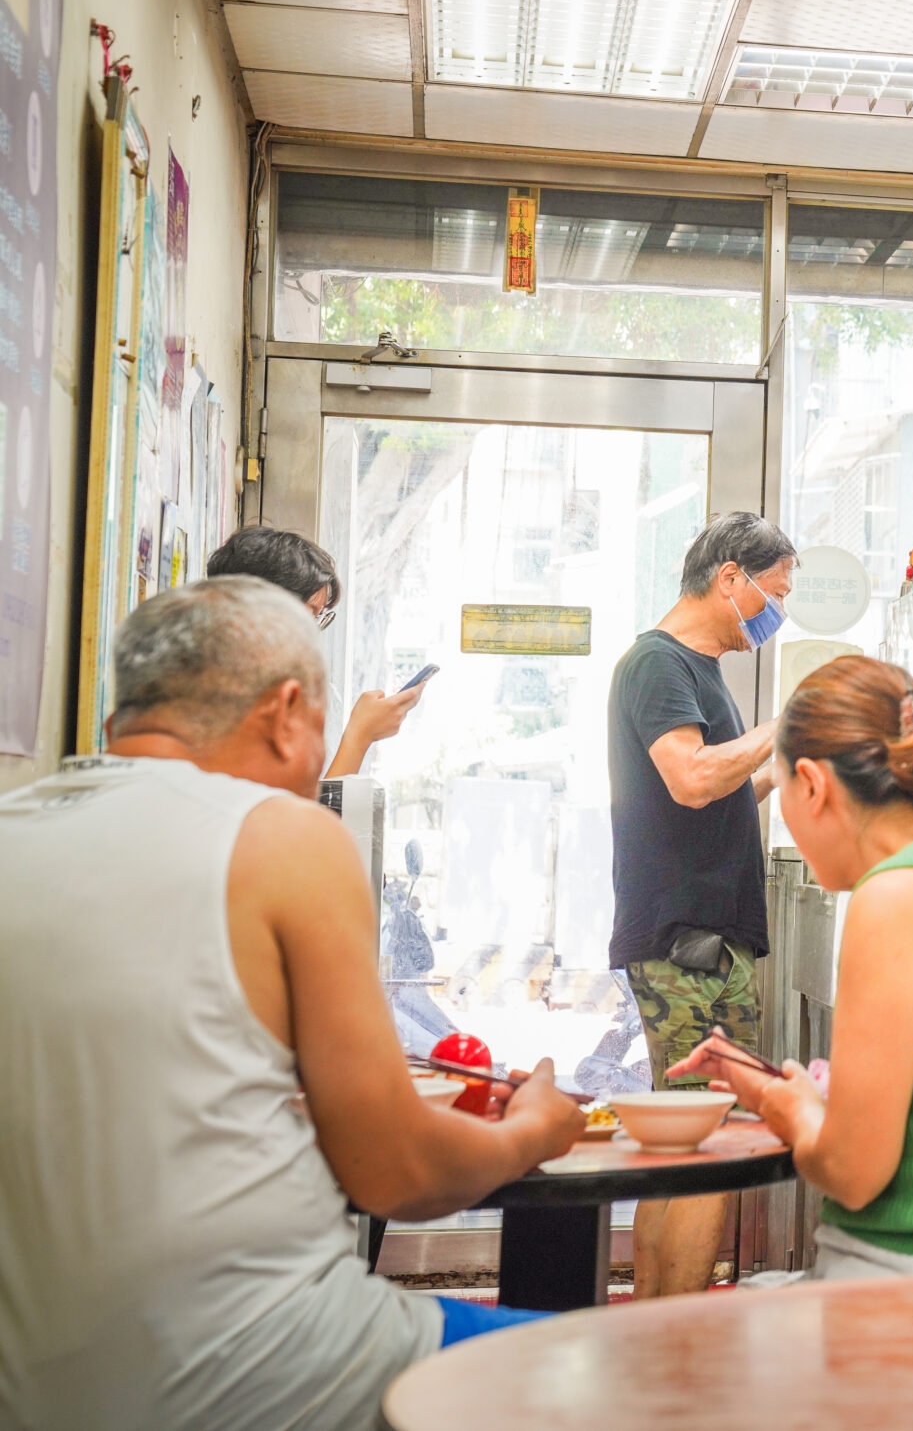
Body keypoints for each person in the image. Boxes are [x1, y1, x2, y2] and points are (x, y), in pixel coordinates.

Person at [0, 579, 585, 1431]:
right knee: (631, 1372)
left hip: (37, 1392)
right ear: (284, 711)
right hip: (277, 1376)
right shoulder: (285, 833)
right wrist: (534, 1128)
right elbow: (398, 1173)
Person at [668, 654, 913, 1276]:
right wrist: (779, 1090)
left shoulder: (896, 895)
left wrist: (788, 1107)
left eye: (779, 794)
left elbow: (853, 1174)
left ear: (812, 783)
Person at [607, 510, 796, 1297]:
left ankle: (656, 1323)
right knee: (704, 1142)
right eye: (772, 595)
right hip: (685, 944)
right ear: (730, 578)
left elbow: (716, 797)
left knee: (692, 1142)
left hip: (709, 940)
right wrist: (785, 724)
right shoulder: (658, 664)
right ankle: (669, 1337)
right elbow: (690, 777)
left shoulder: (699, 669)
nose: (774, 614)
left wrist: (786, 760)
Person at [205, 524, 422, 776]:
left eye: (319, 618)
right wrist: (360, 735)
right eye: (308, 614)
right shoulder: (220, 700)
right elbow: (289, 814)